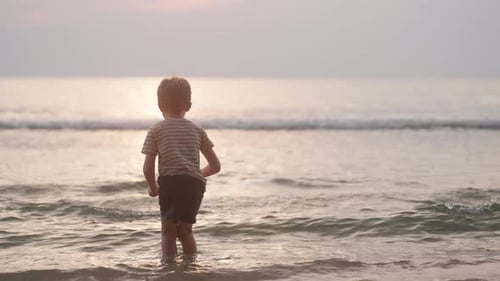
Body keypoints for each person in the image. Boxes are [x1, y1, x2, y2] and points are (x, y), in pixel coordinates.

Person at [142, 76, 221, 260]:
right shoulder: (198, 130)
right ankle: (190, 265)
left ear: (160, 105)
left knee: (168, 232)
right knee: (185, 231)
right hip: (194, 185)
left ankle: (170, 270)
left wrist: (153, 188)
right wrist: (194, 173)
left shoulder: (156, 130)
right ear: (189, 105)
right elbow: (216, 166)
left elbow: (147, 168)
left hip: (170, 183)